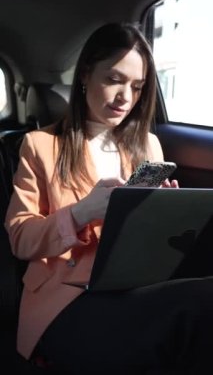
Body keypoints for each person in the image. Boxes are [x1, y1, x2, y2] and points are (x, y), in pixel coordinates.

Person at [4, 22, 213, 374]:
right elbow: (20, 238)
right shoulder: (40, 145)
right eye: (114, 80)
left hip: (132, 283)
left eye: (137, 87)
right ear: (86, 74)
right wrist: (82, 211)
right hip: (65, 299)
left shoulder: (148, 144)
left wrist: (161, 213)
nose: (125, 98)